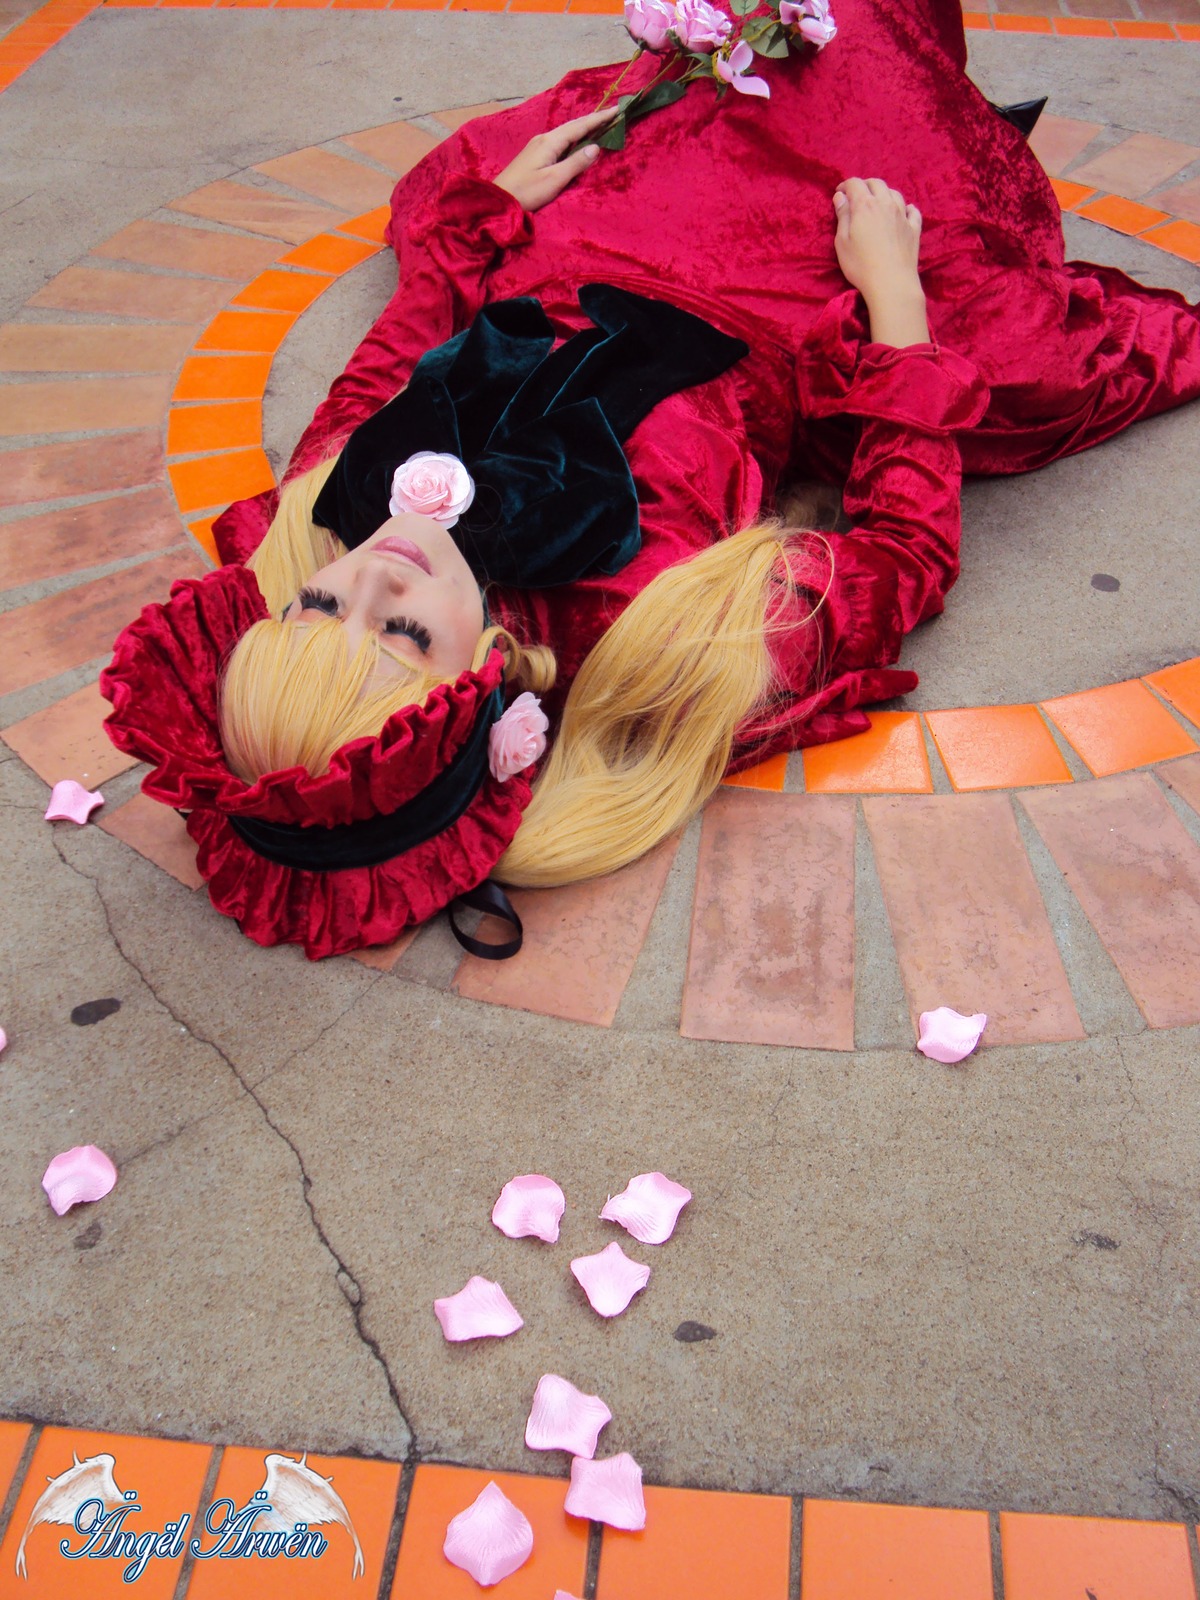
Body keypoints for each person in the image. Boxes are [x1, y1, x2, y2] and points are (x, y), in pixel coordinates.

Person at [101, 0, 1200, 960]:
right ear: (482, 687)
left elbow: (396, 352)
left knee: (756, 41)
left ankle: (926, 105)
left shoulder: (322, 521)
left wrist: (488, 210)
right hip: (774, 290)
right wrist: (896, 303)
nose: (374, 575)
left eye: (319, 605)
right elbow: (903, 554)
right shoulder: (659, 630)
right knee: (1012, 326)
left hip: (583, 233)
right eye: (399, 635)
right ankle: (938, 119)